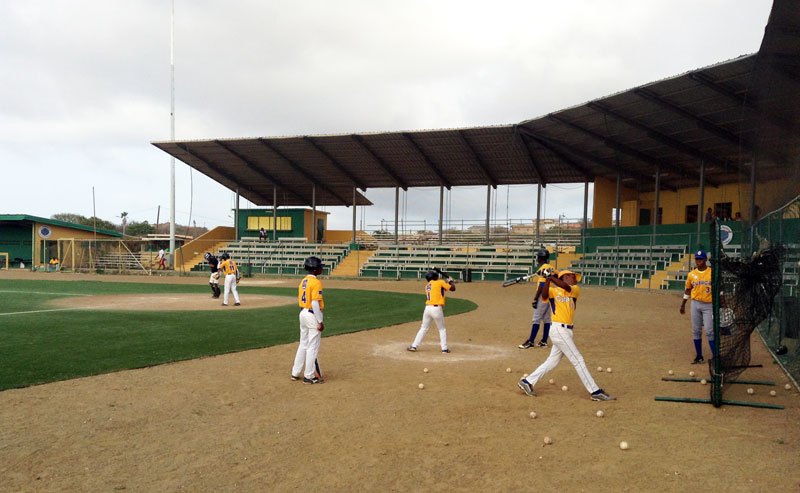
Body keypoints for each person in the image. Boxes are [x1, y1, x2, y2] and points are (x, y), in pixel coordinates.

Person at [518, 270, 616, 401]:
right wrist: (547, 279)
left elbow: (565, 287)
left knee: (552, 361)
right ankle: (595, 391)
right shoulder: (554, 291)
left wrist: (550, 277)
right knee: (578, 360)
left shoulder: (574, 289)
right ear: (564, 277)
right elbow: (545, 295)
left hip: (567, 331)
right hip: (558, 329)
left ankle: (527, 382)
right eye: (572, 276)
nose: (575, 279)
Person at [292, 256, 326, 384]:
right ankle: (309, 376)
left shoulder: (303, 281)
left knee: (303, 344)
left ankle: (295, 372)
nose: (321, 269)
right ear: (315, 269)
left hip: (303, 313)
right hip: (312, 314)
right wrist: (320, 321)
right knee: (312, 347)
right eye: (319, 267)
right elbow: (315, 303)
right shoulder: (316, 282)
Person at [407, 269, 456, 353]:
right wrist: (451, 281)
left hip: (427, 309)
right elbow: (453, 288)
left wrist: (449, 282)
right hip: (436, 309)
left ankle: (414, 346)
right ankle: (444, 348)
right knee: (442, 329)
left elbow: (439, 290)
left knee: (423, 328)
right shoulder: (440, 282)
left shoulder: (427, 286)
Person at [680, 250, 715, 364]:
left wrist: (722, 305)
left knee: (709, 331)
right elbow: (688, 289)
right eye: (697, 259)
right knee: (696, 330)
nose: (698, 261)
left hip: (708, 305)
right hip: (695, 304)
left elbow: (718, 289)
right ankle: (699, 356)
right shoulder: (691, 274)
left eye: (701, 259)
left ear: (705, 260)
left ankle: (716, 358)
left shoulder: (712, 272)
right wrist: (683, 304)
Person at [518, 247, 555, 349]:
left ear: (541, 258)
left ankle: (530, 342)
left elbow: (542, 285)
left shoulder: (542, 269)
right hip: (550, 295)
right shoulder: (551, 267)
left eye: (538, 257)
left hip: (543, 296)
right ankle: (544, 341)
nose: (537, 258)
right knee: (547, 319)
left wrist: (535, 298)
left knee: (536, 319)